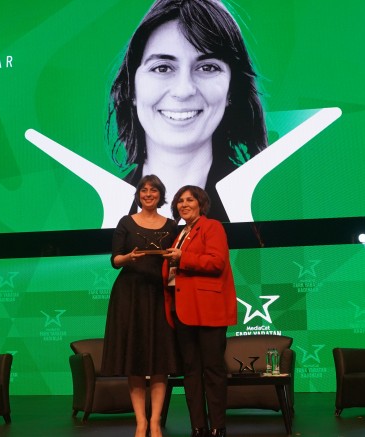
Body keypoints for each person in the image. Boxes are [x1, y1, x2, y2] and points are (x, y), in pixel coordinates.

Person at [107, 0, 268, 222]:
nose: (183, 90)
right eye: (162, 68)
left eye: (207, 67)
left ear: (232, 89)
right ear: (131, 89)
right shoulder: (97, 213)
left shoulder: (268, 207)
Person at [101, 175, 180, 437]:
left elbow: (176, 262)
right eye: (144, 190)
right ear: (138, 195)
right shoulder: (125, 222)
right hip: (130, 295)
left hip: (160, 295)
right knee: (134, 360)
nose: (148, 194)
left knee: (161, 361)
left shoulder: (172, 225)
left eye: (153, 190)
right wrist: (128, 258)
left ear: (160, 195)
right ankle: (141, 422)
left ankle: (155, 422)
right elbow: (115, 260)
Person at [162, 185, 237, 437]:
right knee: (191, 371)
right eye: (180, 201)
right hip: (183, 310)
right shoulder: (181, 233)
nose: (184, 204)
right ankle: (198, 426)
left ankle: (217, 426)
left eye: (189, 200)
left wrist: (182, 258)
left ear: (200, 203)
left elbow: (217, 262)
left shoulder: (212, 226)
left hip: (208, 309)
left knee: (213, 369)